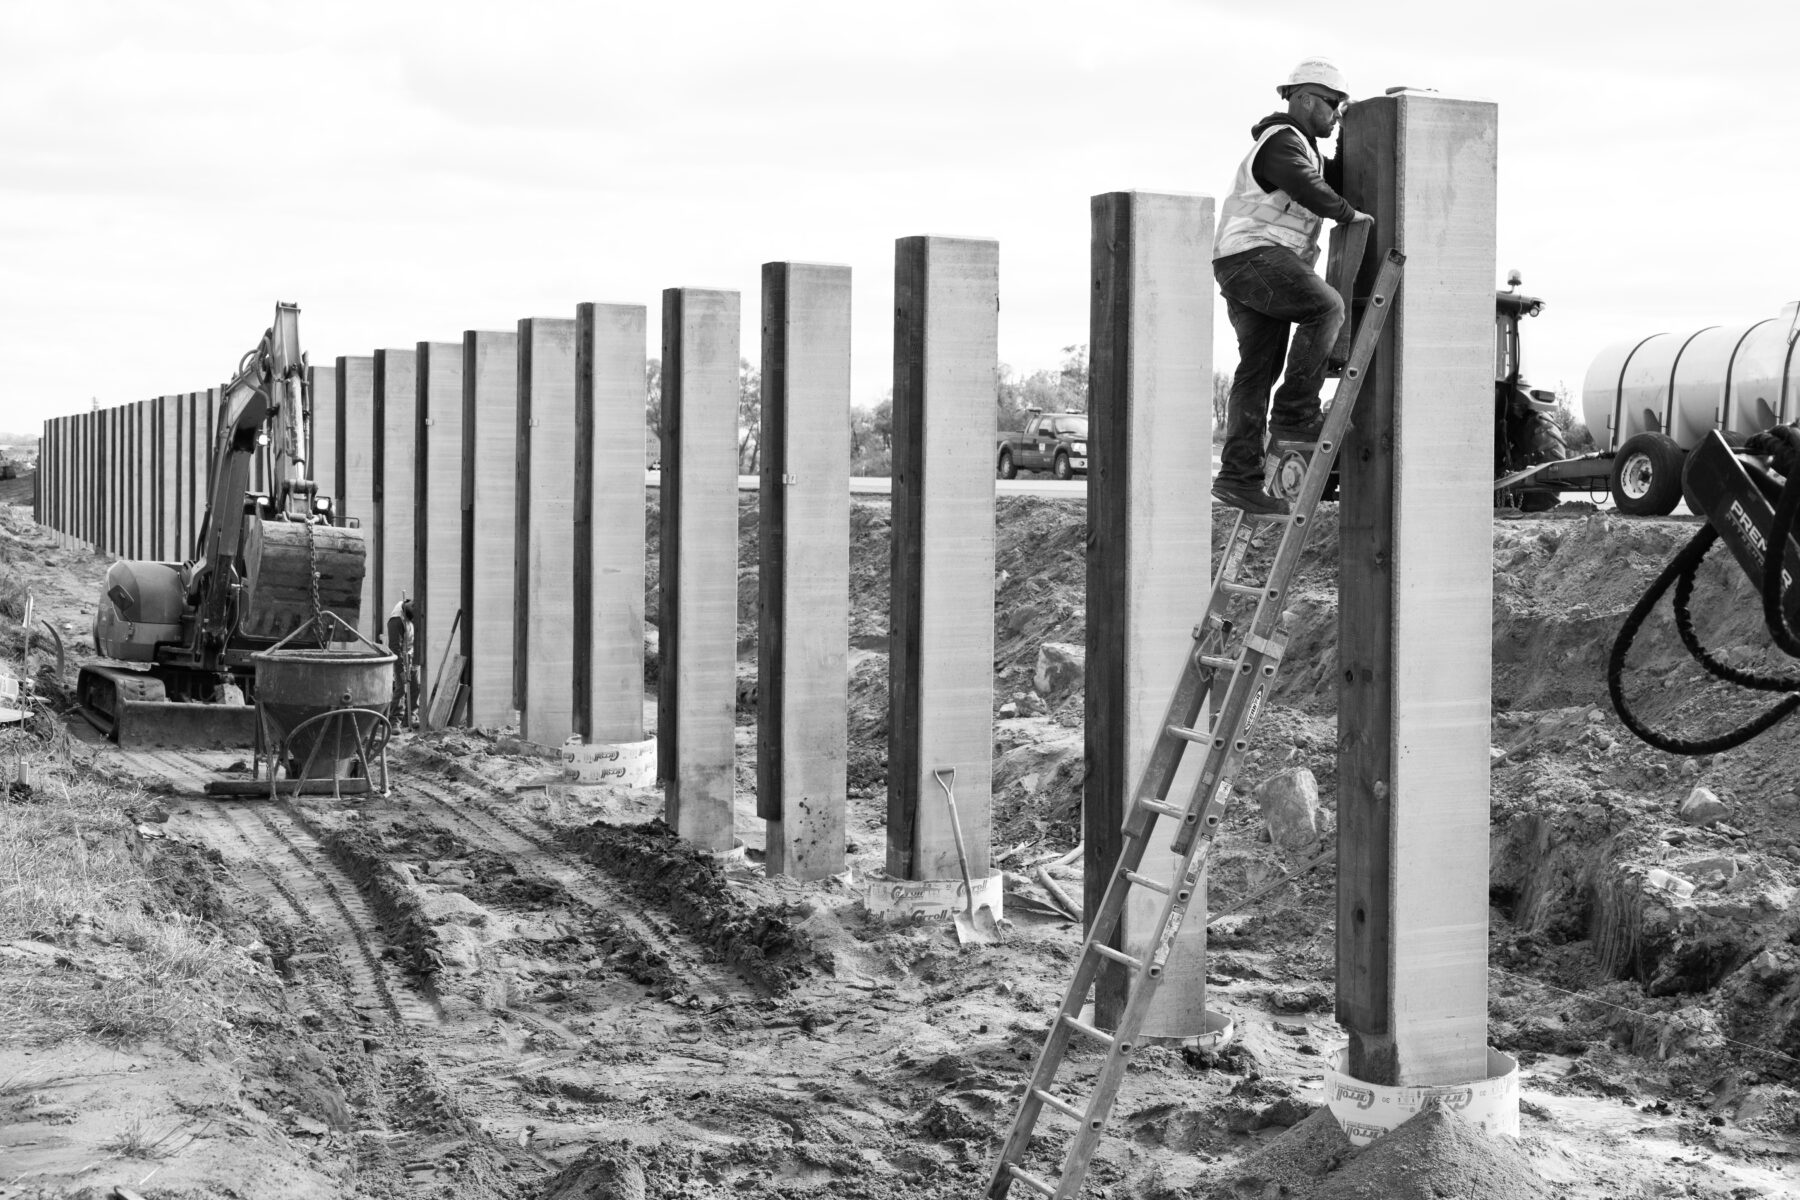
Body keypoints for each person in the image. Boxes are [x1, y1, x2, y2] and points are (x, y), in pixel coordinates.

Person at [1211, 57, 1373, 517]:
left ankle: (1237, 479)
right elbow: (1306, 186)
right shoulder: (1281, 141)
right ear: (1303, 98)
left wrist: (1356, 134)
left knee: (1256, 370)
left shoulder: (1306, 148)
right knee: (1326, 308)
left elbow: (1330, 178)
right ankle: (1296, 410)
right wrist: (1348, 215)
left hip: (1246, 264)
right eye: (1332, 104)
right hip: (1252, 257)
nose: (1336, 114)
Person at [386, 596, 416, 727]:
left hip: (412, 652)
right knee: (402, 687)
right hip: (400, 655)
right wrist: (401, 670)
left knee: (416, 685)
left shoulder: (416, 608)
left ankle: (411, 717)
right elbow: (394, 648)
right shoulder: (396, 621)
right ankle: (394, 720)